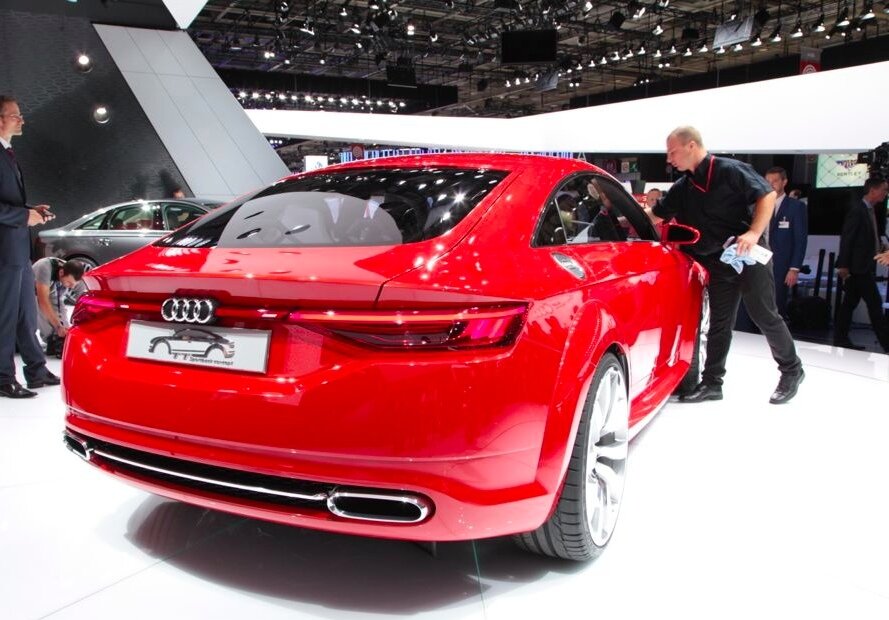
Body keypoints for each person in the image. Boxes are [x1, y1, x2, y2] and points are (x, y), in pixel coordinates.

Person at [646, 126, 804, 404]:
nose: (669, 159)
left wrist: (754, 232)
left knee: (764, 315)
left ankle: (792, 370)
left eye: (672, 152)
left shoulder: (730, 170)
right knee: (719, 323)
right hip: (718, 261)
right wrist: (620, 214)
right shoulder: (684, 187)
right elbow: (655, 215)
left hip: (748, 255)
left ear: (691, 145)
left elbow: (766, 195)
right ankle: (712, 383)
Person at [0, 95, 60, 398]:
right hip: (4, 252)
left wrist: (30, 210)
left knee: (26, 312)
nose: (21, 120)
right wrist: (24, 216)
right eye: (15, 115)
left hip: (17, 250)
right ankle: (3, 377)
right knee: (6, 316)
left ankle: (36, 370)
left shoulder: (7, 152)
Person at [833, 176, 889, 352]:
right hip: (858, 268)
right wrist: (843, 265)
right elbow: (847, 238)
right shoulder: (858, 210)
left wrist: (880, 247)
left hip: (863, 266)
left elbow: (865, 239)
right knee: (875, 304)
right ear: (873, 190)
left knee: (849, 304)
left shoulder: (870, 210)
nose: (886, 193)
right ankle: (886, 343)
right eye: (884, 190)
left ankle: (840, 338)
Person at [765, 167, 808, 317]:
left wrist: (794, 268)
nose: (771, 184)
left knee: (777, 303)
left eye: (775, 181)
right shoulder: (759, 205)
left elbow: (800, 239)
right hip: (758, 262)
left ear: (784, 182)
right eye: (767, 181)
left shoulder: (796, 207)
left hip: (781, 264)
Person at [32, 257, 85, 353]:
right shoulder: (44, 267)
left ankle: (58, 339)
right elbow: (43, 301)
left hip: (53, 293)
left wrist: (79, 326)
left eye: (74, 284)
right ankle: (50, 338)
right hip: (31, 292)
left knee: (65, 331)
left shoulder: (75, 277)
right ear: (61, 273)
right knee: (40, 309)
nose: (72, 287)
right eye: (69, 283)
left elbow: (83, 304)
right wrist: (57, 326)